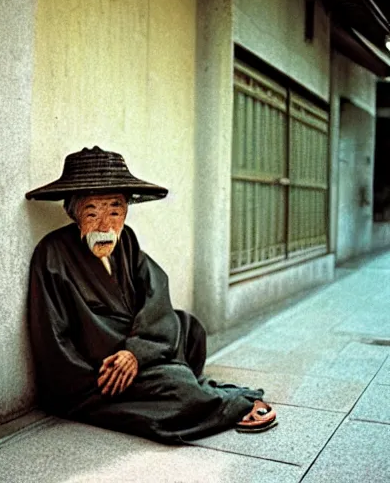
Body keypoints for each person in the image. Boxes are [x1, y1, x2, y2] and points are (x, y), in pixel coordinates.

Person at [26, 146, 277, 444]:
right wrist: (102, 375)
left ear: (126, 211)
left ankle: (175, 381)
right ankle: (222, 404)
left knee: (190, 328)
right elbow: (51, 334)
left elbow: (156, 293)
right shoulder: (52, 252)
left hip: (136, 350)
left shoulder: (126, 240)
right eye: (92, 212)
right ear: (74, 212)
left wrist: (137, 353)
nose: (105, 225)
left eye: (115, 211)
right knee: (178, 385)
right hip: (98, 372)